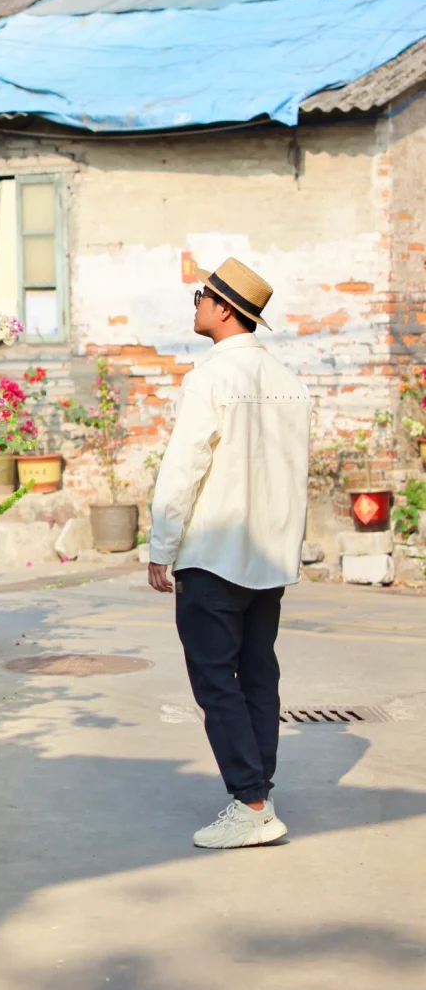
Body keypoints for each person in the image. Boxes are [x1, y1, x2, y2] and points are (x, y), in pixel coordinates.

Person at [148, 257, 310, 849]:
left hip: (214, 553)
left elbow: (184, 467)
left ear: (222, 308)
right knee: (258, 673)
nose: (195, 306)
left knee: (217, 681)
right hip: (267, 557)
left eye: (200, 297)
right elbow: (295, 475)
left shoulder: (209, 379)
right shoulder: (291, 381)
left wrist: (160, 547)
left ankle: (251, 804)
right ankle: (258, 788)